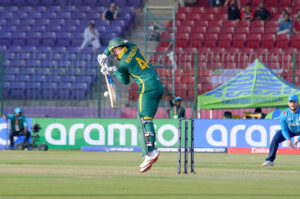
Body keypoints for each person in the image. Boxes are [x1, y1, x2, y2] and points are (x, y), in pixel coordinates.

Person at [97, 37, 164, 173]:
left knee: (144, 119)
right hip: (158, 85)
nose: (113, 55)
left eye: (113, 52)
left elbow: (125, 81)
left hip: (147, 87)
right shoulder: (133, 47)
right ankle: (151, 149)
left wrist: (110, 69)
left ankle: (150, 152)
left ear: (116, 49)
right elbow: (124, 41)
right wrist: (106, 53)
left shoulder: (122, 65)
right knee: (148, 119)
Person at [262, 94, 300, 166]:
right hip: (290, 130)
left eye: (294, 102)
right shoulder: (284, 113)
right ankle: (270, 160)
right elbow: (284, 129)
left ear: (298, 103)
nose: (292, 104)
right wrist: (288, 139)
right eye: (291, 102)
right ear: (288, 103)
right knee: (276, 139)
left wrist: (298, 140)